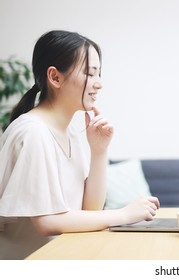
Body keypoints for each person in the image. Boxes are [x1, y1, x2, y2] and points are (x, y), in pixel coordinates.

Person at [0, 30, 160, 259]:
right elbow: (47, 221)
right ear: (55, 77)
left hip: (62, 257)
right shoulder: (33, 132)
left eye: (98, 74)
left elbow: (90, 209)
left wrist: (99, 151)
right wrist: (124, 215)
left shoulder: (71, 131)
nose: (99, 84)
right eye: (89, 73)